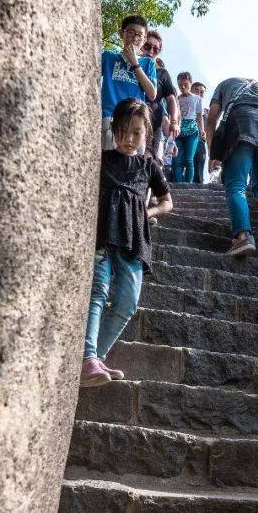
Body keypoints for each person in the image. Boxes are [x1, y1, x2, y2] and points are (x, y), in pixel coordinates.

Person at [81, 98, 172, 387]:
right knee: (98, 290)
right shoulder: (103, 159)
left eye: (136, 132)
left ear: (146, 133)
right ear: (113, 129)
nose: (128, 139)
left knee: (127, 300)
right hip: (104, 232)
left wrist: (147, 212)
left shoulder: (148, 165)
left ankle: (96, 357)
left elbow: (167, 202)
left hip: (134, 237)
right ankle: (88, 359)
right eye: (122, 131)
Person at [205, 76, 258, 257]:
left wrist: (212, 153)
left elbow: (212, 118)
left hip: (241, 122)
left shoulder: (224, 84)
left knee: (236, 185)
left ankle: (243, 237)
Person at [100, 14, 157, 148]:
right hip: (111, 118)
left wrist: (134, 62)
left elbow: (152, 93)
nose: (135, 38)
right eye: (131, 32)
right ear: (121, 33)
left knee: (134, 166)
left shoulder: (148, 63)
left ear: (144, 39)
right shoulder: (108, 57)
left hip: (137, 120)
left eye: (140, 35)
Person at [142, 28, 178, 161]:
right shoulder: (128, 66)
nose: (151, 51)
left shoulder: (162, 73)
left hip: (153, 122)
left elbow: (171, 99)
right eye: (147, 46)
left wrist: (174, 121)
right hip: (129, 119)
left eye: (156, 49)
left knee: (150, 159)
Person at [173, 71, 203, 184]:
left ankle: (188, 185)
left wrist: (202, 129)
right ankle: (179, 185)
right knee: (177, 160)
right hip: (179, 130)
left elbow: (199, 115)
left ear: (191, 83)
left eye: (185, 84)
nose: (183, 87)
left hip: (192, 131)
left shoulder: (197, 99)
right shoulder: (176, 99)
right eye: (180, 84)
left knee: (189, 160)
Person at [191, 82, 208, 183]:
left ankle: (198, 184)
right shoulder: (183, 105)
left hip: (201, 141)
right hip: (184, 139)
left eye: (202, 92)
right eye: (196, 90)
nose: (199, 93)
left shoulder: (207, 112)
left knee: (200, 162)